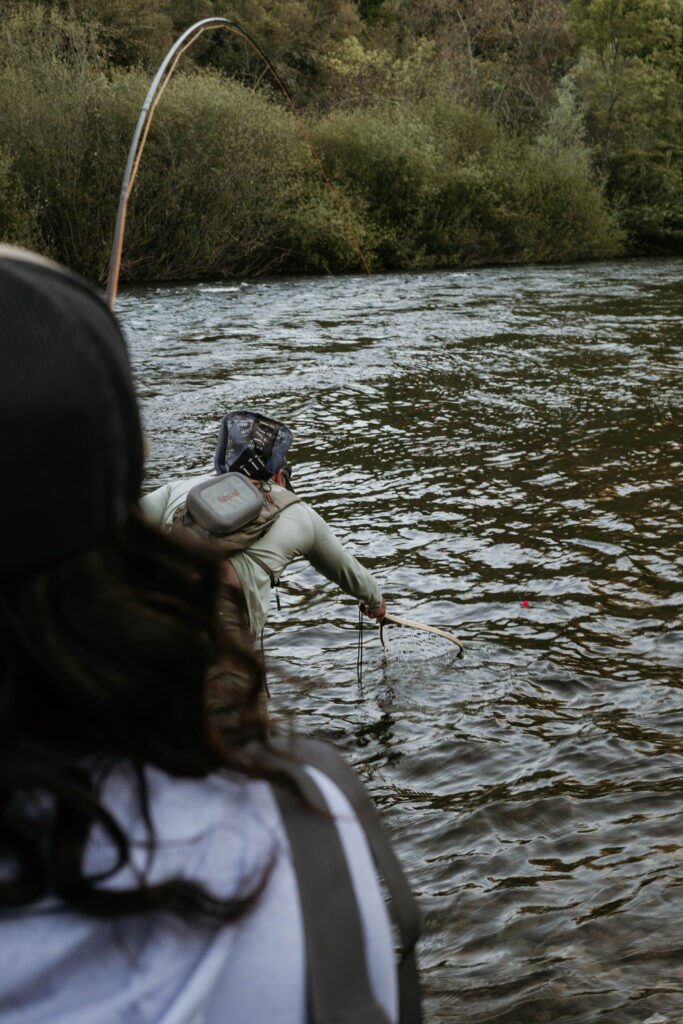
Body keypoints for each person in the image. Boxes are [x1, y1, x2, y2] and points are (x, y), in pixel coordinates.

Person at [0, 247, 420, 1023]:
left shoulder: (170, 497)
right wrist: (379, 607)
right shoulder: (311, 810)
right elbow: (359, 580)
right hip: (217, 680)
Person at [139, 409, 388, 641]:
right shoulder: (299, 512)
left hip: (158, 598)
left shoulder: (185, 488)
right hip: (223, 620)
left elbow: (122, 520)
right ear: (279, 477)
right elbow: (348, 571)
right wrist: (375, 602)